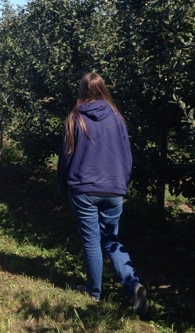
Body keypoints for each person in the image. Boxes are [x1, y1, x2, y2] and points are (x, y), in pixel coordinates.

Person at [57, 72, 148, 316]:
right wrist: (123, 181)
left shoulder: (75, 118)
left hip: (83, 187)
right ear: (103, 89)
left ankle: (94, 291)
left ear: (82, 90)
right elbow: (127, 154)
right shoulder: (116, 118)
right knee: (112, 239)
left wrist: (62, 183)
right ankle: (133, 285)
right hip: (114, 187)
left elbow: (66, 155)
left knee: (91, 241)